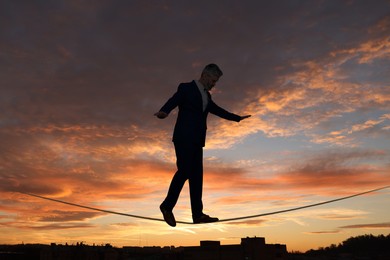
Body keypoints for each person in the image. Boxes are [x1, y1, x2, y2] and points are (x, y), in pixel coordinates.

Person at [154, 64, 251, 227]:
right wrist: (164, 111)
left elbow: (218, 110)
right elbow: (174, 100)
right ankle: (166, 206)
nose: (214, 84)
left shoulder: (207, 97)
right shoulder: (186, 88)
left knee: (197, 177)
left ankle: (197, 214)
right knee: (184, 170)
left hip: (197, 141)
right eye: (213, 80)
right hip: (183, 137)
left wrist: (237, 118)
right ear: (205, 75)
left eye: (216, 81)